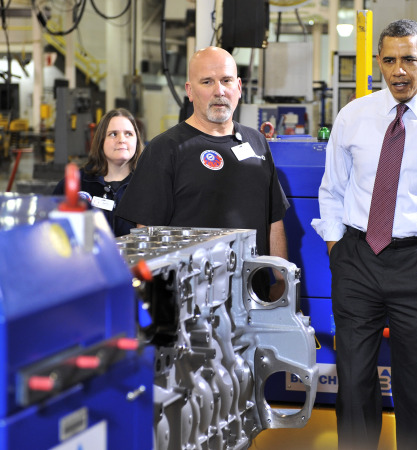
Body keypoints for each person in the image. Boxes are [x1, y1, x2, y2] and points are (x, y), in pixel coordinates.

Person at [312, 19, 417, 449]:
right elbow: (332, 189)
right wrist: (337, 250)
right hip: (356, 258)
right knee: (352, 380)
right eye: (389, 60)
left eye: (409, 59)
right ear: (379, 64)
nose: (399, 70)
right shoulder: (353, 116)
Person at [115, 47, 289, 297]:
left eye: (226, 80)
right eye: (207, 82)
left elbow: (274, 222)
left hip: (252, 296)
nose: (219, 91)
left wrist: (281, 283)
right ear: (189, 91)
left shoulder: (257, 143)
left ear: (239, 87)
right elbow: (147, 234)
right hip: (190, 302)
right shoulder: (165, 149)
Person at [53, 108, 144, 237]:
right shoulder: (77, 183)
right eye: (113, 134)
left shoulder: (148, 184)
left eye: (128, 134)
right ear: (101, 141)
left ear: (137, 140)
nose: (121, 139)